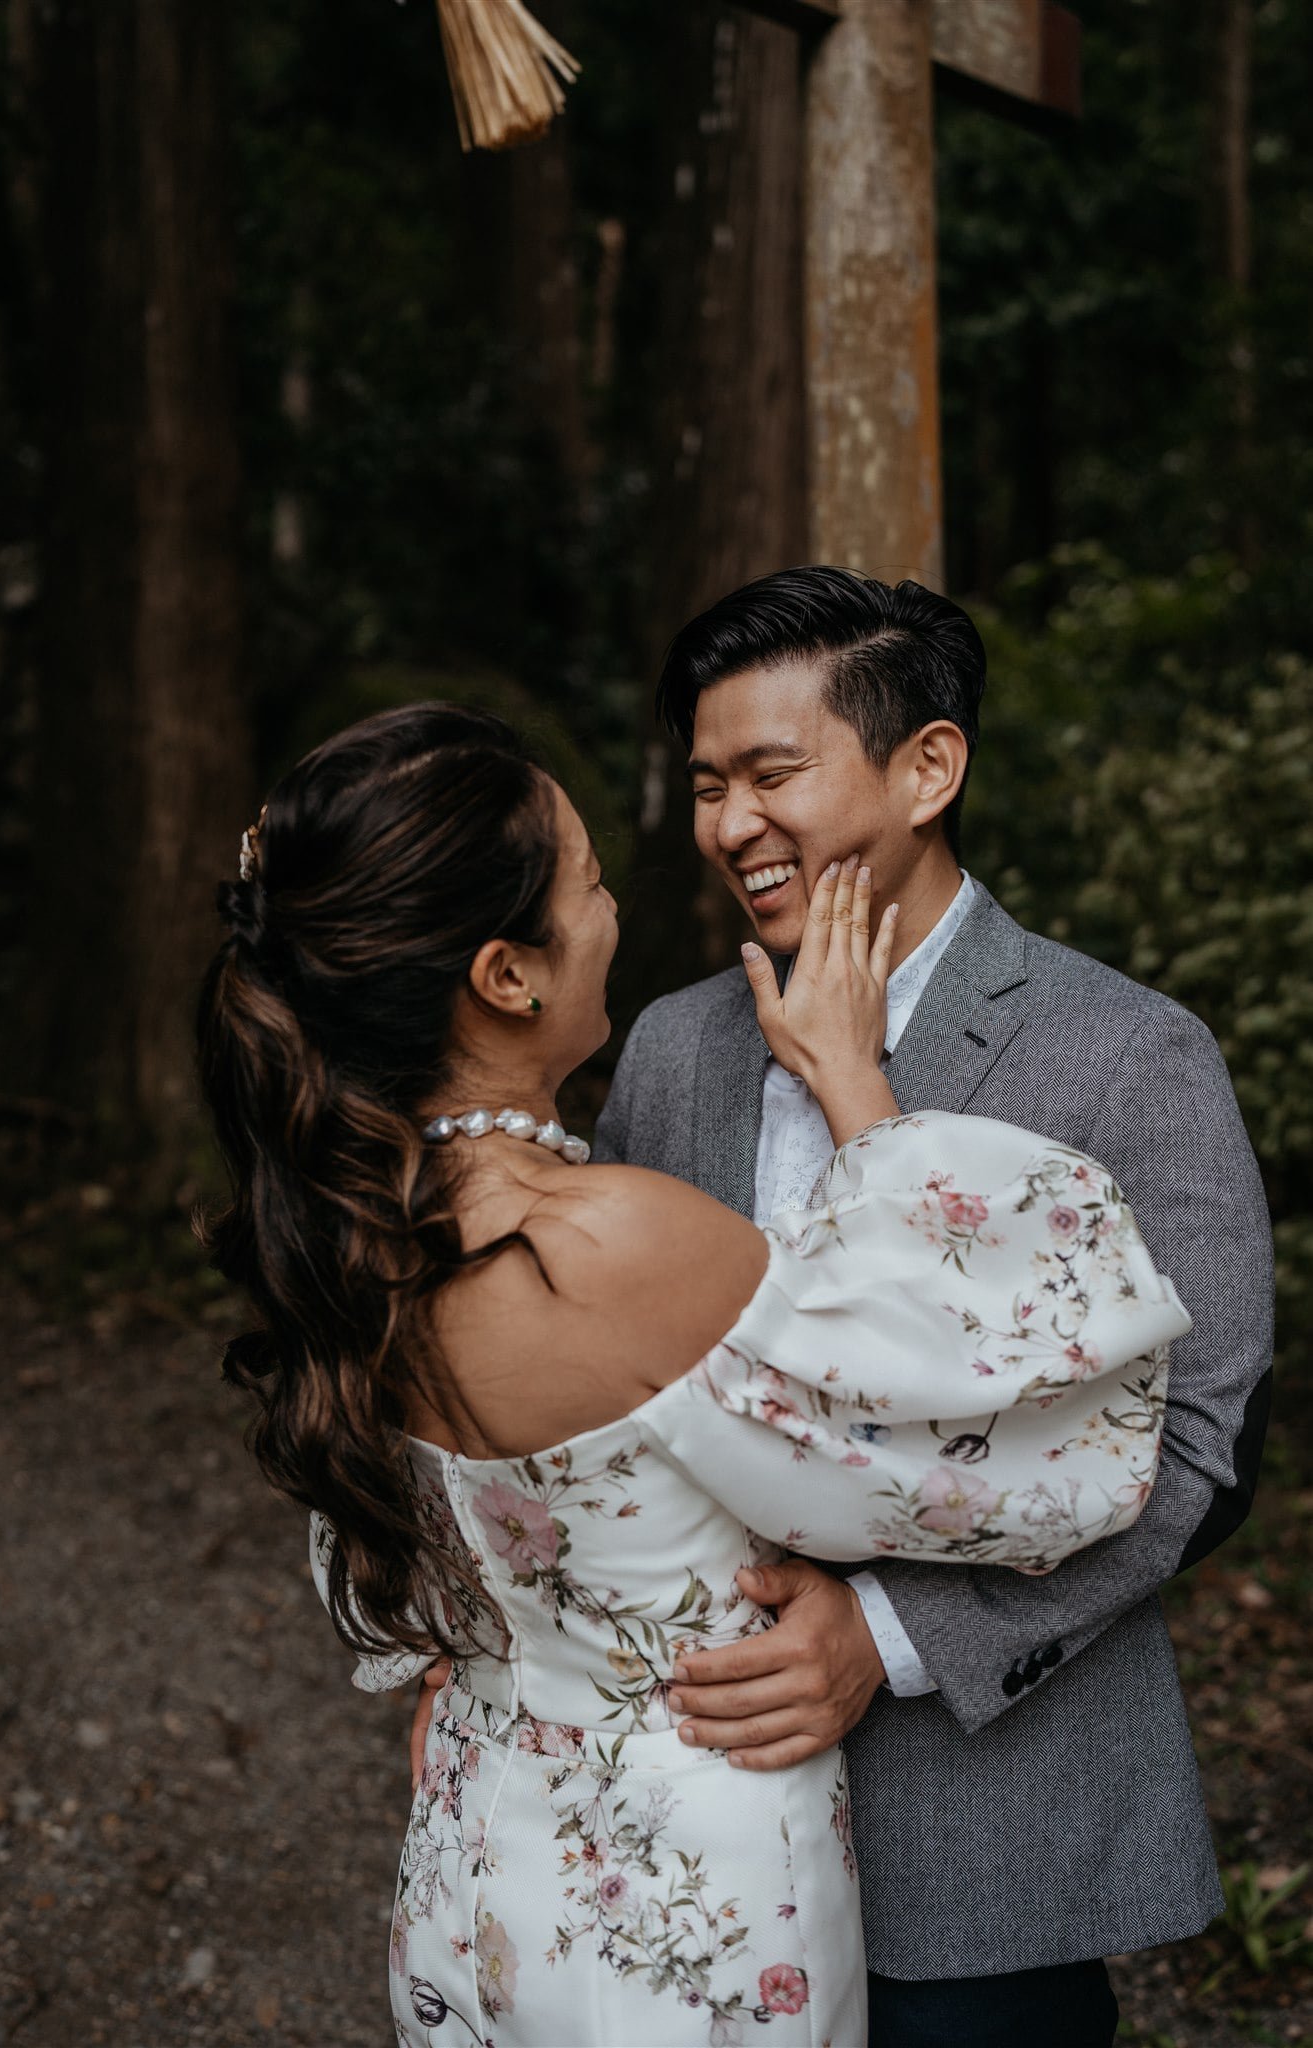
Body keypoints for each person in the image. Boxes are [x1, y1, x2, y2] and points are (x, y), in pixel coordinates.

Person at [199, 701, 1191, 2048]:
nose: (617, 913)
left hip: (480, 1866)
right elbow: (997, 1414)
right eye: (591, 884)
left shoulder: (352, 1234)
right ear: (506, 975)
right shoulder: (596, 1240)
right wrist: (858, 1098)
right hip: (681, 1906)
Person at [594, 567, 1275, 2047]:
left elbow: (1198, 1452)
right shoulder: (669, 1049)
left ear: (928, 767)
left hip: (981, 1824)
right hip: (689, 1802)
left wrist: (888, 1639)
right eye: (707, 785)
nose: (728, 826)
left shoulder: (1128, 1055)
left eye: (771, 773)